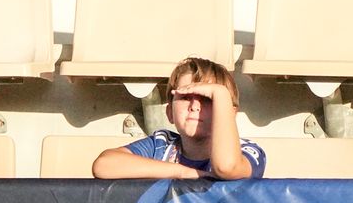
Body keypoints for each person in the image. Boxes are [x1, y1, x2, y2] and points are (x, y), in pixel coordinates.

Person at [92, 57, 266, 180]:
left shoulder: (248, 151)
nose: (194, 106)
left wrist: (220, 93)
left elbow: (227, 168)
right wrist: (183, 173)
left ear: (229, 113)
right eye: (185, 97)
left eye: (207, 99)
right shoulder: (161, 145)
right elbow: (104, 165)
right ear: (169, 112)